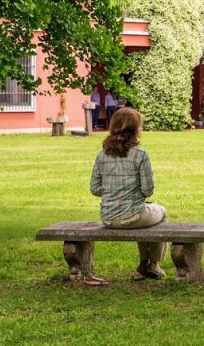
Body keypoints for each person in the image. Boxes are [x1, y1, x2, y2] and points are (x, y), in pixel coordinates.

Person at [90, 108, 166, 279]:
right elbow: (148, 190)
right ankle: (152, 264)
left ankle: (144, 264)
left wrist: (113, 191)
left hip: (108, 218)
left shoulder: (102, 155)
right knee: (160, 213)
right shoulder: (140, 155)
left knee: (146, 212)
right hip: (133, 217)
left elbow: (95, 188)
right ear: (135, 129)